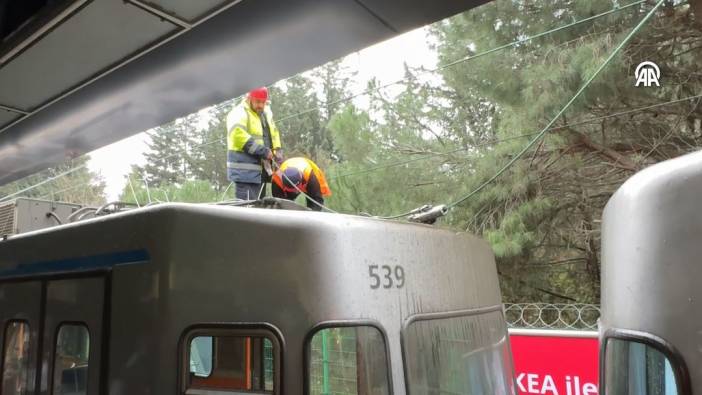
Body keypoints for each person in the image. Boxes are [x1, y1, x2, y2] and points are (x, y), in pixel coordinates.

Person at [226, 87, 283, 200]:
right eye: (257, 101)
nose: (261, 105)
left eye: (263, 102)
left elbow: (273, 133)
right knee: (247, 210)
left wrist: (278, 151)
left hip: (261, 172)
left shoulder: (266, 113)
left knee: (257, 209)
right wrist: (263, 151)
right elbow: (237, 135)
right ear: (249, 98)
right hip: (245, 172)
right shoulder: (239, 112)